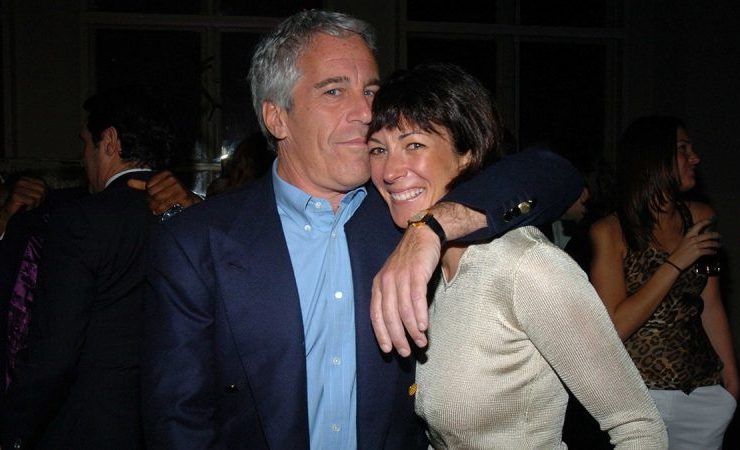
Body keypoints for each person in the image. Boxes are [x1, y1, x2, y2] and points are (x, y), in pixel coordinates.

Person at [142, 9, 583, 450]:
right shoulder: (196, 242)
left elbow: (554, 175)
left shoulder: (407, 209)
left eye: (371, 91)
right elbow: (179, 419)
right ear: (277, 118)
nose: (366, 112)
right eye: (334, 91)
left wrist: (433, 227)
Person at [367, 63, 668, 448]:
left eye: (414, 145)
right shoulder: (428, 270)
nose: (390, 170)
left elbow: (639, 427)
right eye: (378, 149)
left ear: (467, 153)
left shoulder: (525, 265)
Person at [0, 86, 175, 449]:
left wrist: (13, 431)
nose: (83, 159)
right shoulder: (191, 215)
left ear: (109, 142)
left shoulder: (79, 221)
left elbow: (54, 353)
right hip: (167, 422)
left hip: (90, 426)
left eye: (84, 143)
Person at [589, 115, 738, 449]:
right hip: (639, 397)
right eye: (683, 149)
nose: (695, 158)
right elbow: (614, 328)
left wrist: (731, 381)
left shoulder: (699, 217)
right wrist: (675, 262)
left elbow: (710, 304)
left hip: (704, 393)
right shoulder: (610, 232)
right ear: (653, 159)